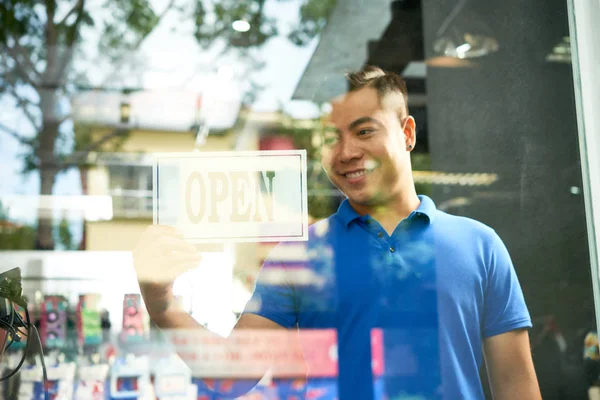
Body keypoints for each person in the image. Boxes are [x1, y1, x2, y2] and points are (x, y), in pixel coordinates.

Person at [133, 66, 541, 399]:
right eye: (332, 138)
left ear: (407, 133)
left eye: (365, 131)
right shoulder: (297, 254)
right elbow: (231, 375)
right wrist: (161, 303)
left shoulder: (480, 245)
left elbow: (515, 384)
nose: (346, 152)